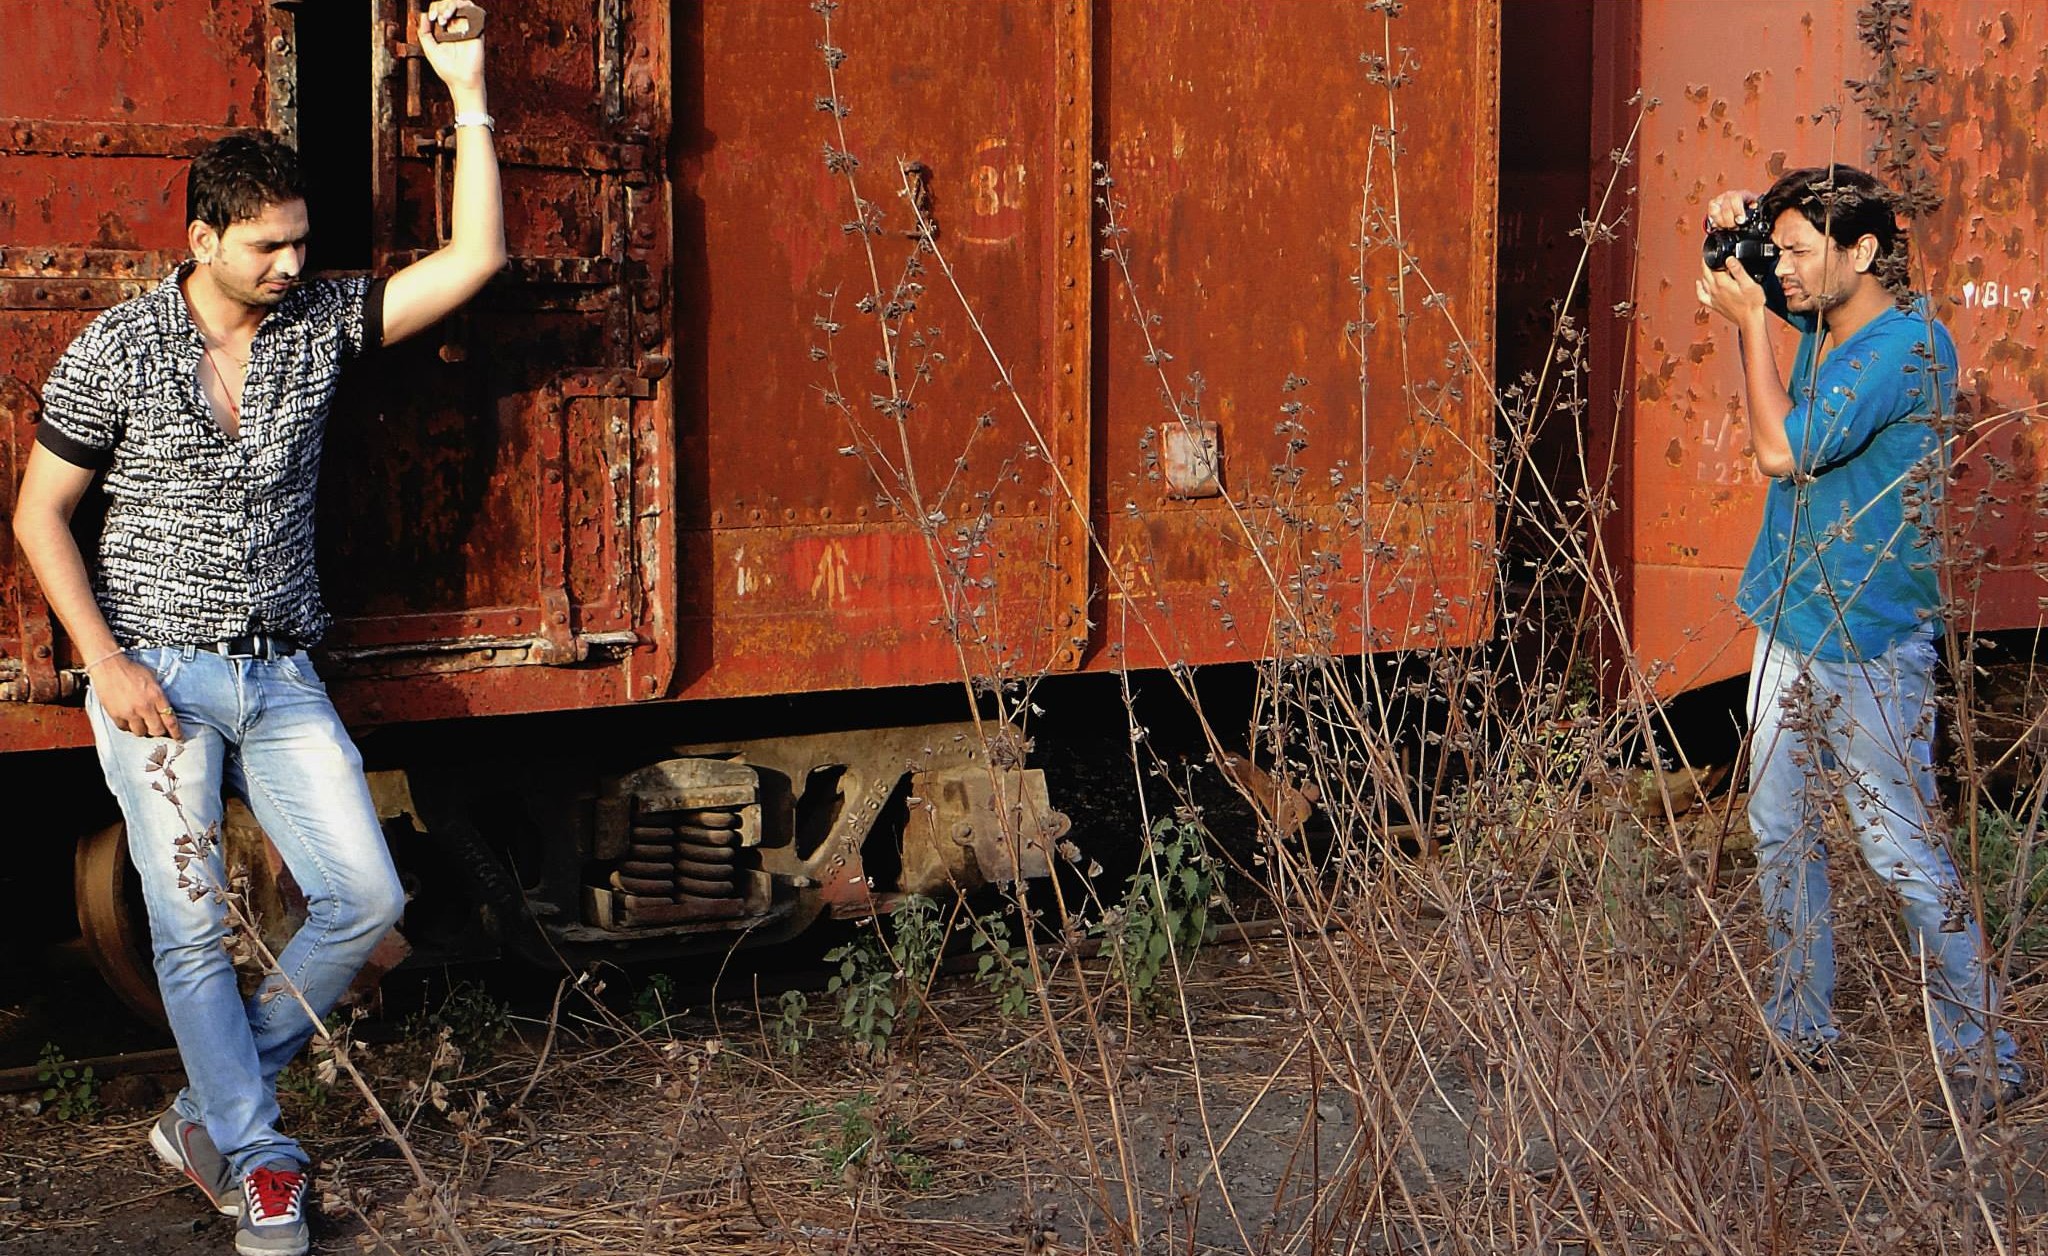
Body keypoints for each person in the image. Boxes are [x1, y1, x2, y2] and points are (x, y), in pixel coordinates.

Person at [12, 4, 504, 1251]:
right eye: (270, 248)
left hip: (281, 674)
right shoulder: (118, 348)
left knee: (362, 893)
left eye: (301, 244)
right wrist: (107, 659)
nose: (294, 265)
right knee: (186, 928)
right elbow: (40, 514)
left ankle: (211, 1108)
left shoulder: (317, 328)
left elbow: (473, 260)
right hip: (157, 680)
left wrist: (467, 90)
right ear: (204, 239)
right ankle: (264, 1160)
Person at [1697, 164, 2025, 1124]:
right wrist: (1732, 233)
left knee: (1901, 851)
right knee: (1776, 831)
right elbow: (1744, 286)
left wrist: (1753, 323)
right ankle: (1800, 1027)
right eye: (1782, 251)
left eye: (1801, 252)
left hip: (1870, 643)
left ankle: (1986, 1059)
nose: (1784, 271)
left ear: (1863, 252)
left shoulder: (1909, 350)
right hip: (1789, 623)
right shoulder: (1827, 320)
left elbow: (1782, 451)